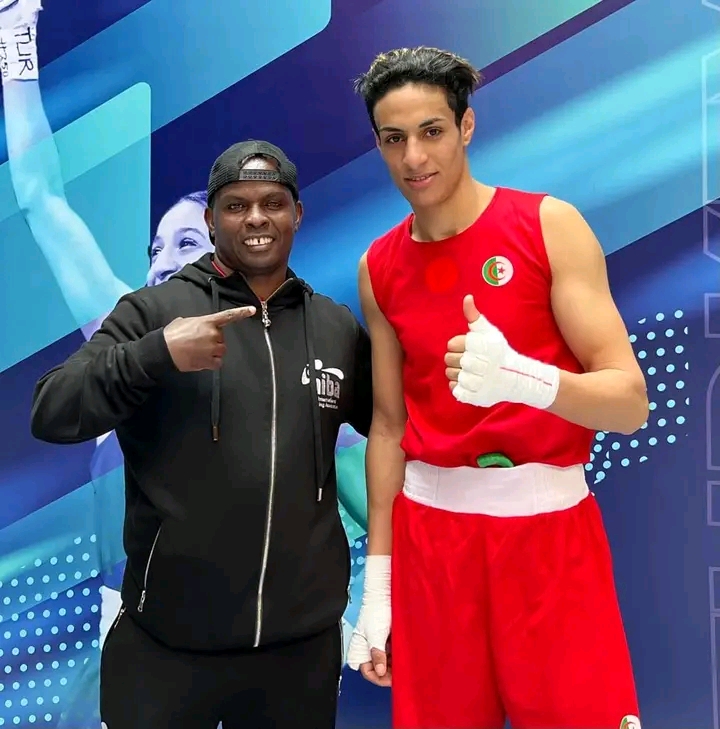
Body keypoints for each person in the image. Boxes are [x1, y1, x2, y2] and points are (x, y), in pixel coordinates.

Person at [0, 0, 369, 706]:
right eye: (156, 251)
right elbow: (42, 197)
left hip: (275, 655)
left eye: (189, 245)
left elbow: (373, 494)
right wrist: (15, 42)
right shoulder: (128, 331)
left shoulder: (310, 344)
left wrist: (369, 607)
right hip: (146, 650)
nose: (168, 262)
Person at [346, 46, 648, 729]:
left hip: (549, 544)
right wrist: (379, 588)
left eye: (432, 131)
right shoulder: (379, 266)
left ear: (467, 128)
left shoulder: (548, 227)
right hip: (433, 551)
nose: (414, 158)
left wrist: (527, 379)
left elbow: (629, 401)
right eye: (394, 140)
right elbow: (389, 428)